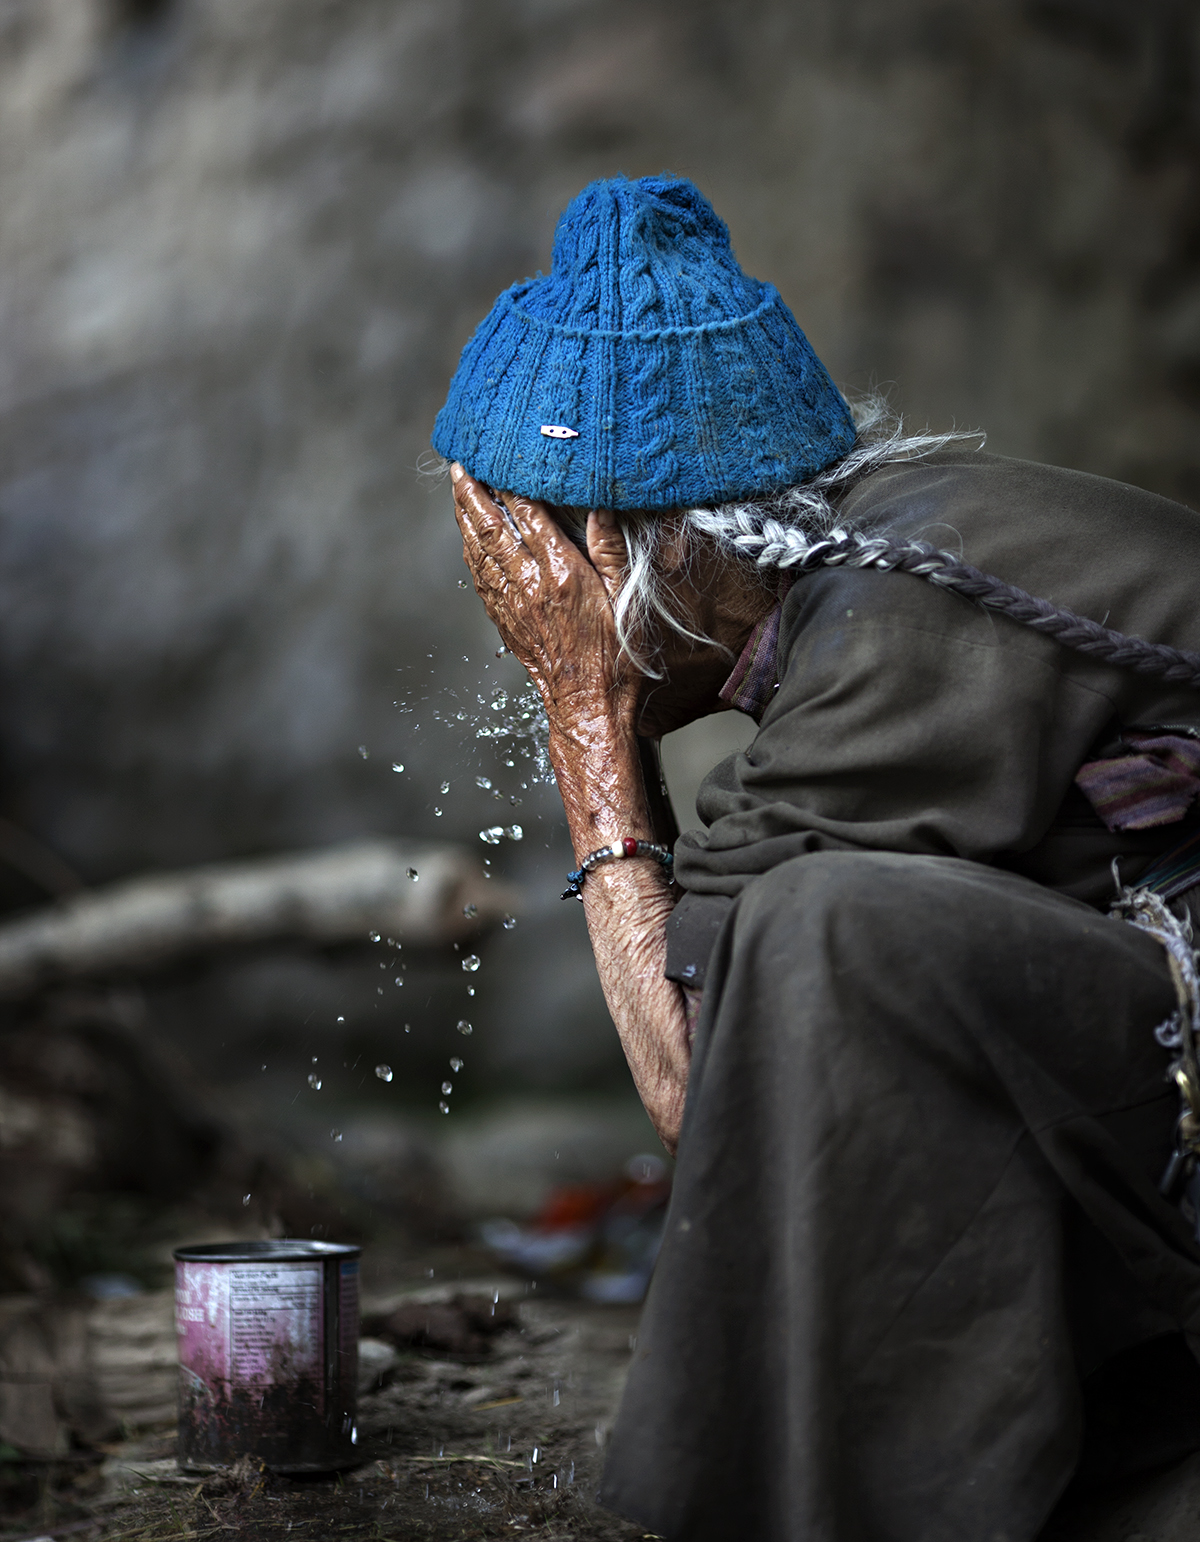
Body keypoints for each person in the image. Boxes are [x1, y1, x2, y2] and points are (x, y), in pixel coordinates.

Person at [432, 175, 1200, 1542]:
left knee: (826, 939)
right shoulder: (874, 570)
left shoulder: (899, 626)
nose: (523, 619)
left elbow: (711, 1086)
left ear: (627, 552)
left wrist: (584, 721)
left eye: (532, 572)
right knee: (825, 929)